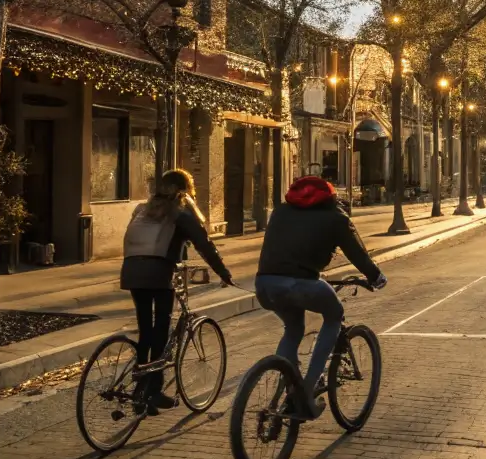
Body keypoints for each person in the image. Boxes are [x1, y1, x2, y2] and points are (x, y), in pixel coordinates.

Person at [256, 175, 386, 419]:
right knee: (334, 315)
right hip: (302, 283)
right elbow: (357, 253)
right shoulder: (336, 217)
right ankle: (306, 389)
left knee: (294, 329)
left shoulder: (280, 212)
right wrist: (376, 276)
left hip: (265, 284)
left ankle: (287, 378)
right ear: (330, 197)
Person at [120, 169, 232, 415]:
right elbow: (204, 243)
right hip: (158, 271)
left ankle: (141, 390)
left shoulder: (143, 208)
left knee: (145, 330)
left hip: (131, 270)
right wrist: (223, 272)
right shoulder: (181, 211)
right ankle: (154, 390)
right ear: (186, 189)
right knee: (161, 327)